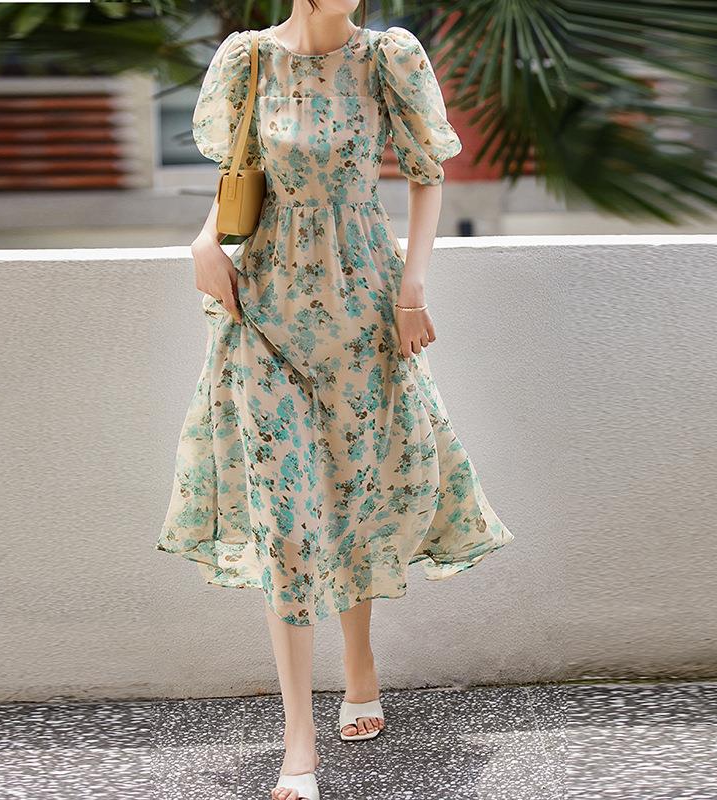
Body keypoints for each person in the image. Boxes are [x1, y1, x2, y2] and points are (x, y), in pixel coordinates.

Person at [157, 2, 514, 798]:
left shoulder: (387, 57)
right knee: (286, 523)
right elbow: (239, 171)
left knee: (352, 492)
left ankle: (359, 664)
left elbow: (426, 174)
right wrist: (204, 239)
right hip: (265, 310)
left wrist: (413, 289)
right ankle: (298, 742)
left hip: (364, 308)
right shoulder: (248, 60)